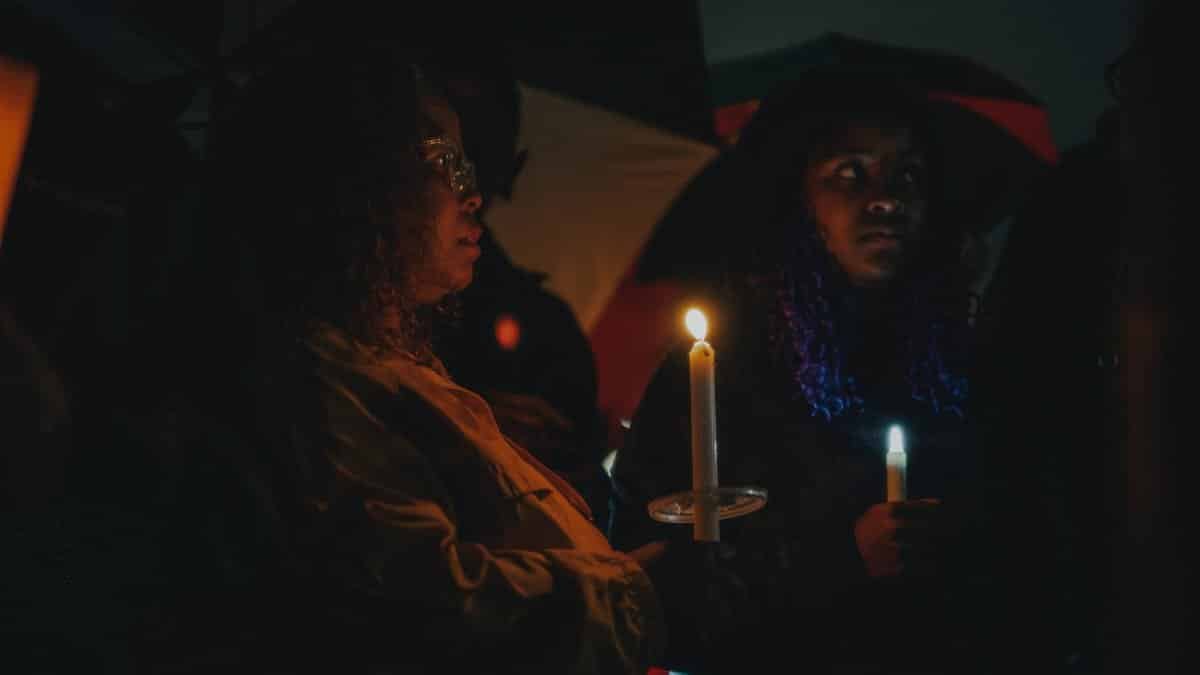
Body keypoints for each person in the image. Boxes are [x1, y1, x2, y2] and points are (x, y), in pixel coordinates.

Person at [208, 42, 664, 674]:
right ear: (360, 183)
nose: (472, 194)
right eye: (444, 160)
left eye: (472, 163)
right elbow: (425, 607)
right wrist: (633, 598)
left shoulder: (391, 363)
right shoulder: (317, 383)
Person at [611, 69, 1064, 674]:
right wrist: (842, 560)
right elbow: (650, 585)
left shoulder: (969, 366)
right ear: (797, 199)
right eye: (850, 174)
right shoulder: (717, 374)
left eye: (908, 176)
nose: (886, 199)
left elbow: (1036, 554)